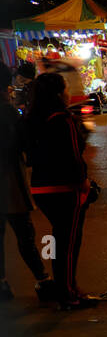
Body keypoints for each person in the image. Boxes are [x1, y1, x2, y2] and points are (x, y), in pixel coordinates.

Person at [22, 72, 94, 309]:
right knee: (69, 243)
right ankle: (68, 293)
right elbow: (72, 155)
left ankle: (66, 288)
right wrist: (83, 181)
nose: (68, 91)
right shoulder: (62, 119)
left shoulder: (32, 119)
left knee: (60, 240)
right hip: (64, 188)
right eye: (65, 87)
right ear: (58, 93)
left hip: (41, 187)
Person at [0, 64, 52, 301]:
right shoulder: (9, 113)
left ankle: (3, 284)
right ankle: (42, 280)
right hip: (10, 181)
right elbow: (24, 147)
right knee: (24, 233)